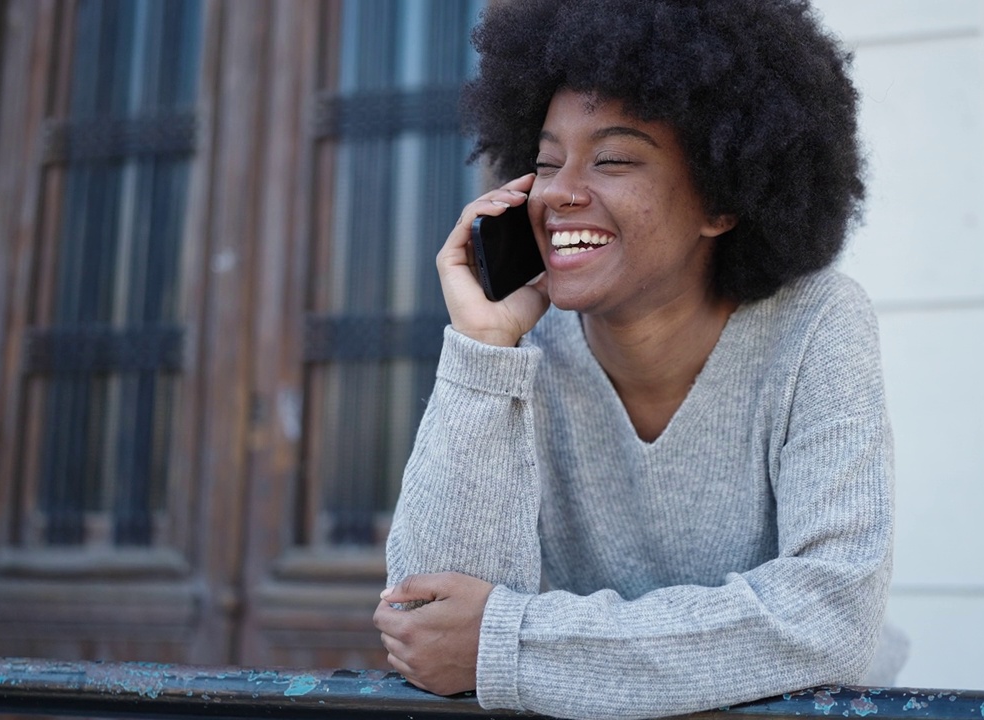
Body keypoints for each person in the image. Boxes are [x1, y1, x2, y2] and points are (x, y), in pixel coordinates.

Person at [372, 1, 895, 718]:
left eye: (612, 159)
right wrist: (483, 352)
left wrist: (512, 644)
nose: (559, 191)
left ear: (722, 199)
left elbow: (830, 620)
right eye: (547, 161)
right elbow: (427, 623)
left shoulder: (814, 325)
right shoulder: (522, 352)